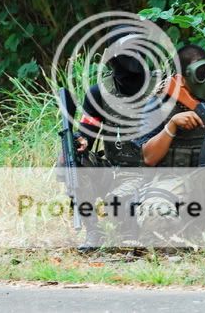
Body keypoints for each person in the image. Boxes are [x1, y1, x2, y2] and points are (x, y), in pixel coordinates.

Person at [132, 44, 205, 245]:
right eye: (199, 75)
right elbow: (149, 157)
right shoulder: (158, 104)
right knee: (154, 217)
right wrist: (171, 126)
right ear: (181, 79)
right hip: (170, 181)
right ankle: (182, 232)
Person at [70, 26, 150, 250]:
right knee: (72, 162)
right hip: (117, 170)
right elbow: (87, 134)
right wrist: (79, 143)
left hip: (155, 172)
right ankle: (94, 232)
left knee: (123, 204)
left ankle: (134, 226)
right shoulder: (99, 93)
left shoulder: (162, 88)